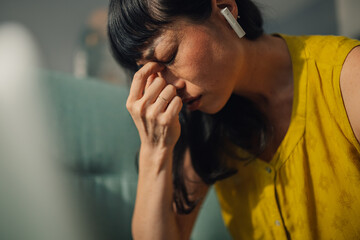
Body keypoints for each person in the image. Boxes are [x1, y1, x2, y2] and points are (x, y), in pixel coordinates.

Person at [107, 0, 360, 239]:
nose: (169, 88)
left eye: (169, 56)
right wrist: (154, 150)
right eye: (153, 75)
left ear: (225, 8)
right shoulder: (205, 126)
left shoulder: (347, 78)